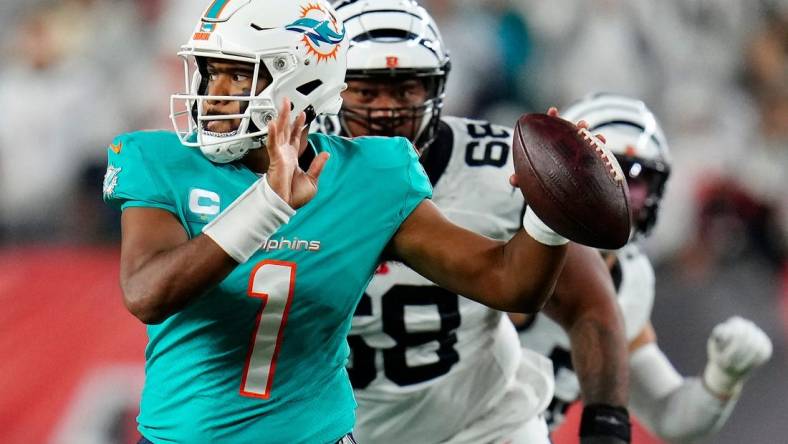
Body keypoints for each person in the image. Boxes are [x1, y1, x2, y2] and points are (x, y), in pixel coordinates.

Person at [103, 1, 614, 443]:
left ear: (301, 79)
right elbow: (148, 293)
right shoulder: (160, 160)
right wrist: (267, 204)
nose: (214, 93)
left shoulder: (371, 175)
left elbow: (509, 283)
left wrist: (547, 215)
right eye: (211, 72)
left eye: (239, 74)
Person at [312, 1, 632, 443]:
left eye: (407, 90)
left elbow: (588, 302)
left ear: (437, 88)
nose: (386, 111)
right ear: (327, 90)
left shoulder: (502, 167)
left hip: (485, 423)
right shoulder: (293, 181)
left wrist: (607, 420)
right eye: (366, 92)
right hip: (345, 430)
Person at [516, 93, 774, 442]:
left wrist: (722, 379)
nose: (618, 198)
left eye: (635, 184)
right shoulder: (506, 236)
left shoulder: (630, 278)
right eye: (606, 174)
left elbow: (669, 416)